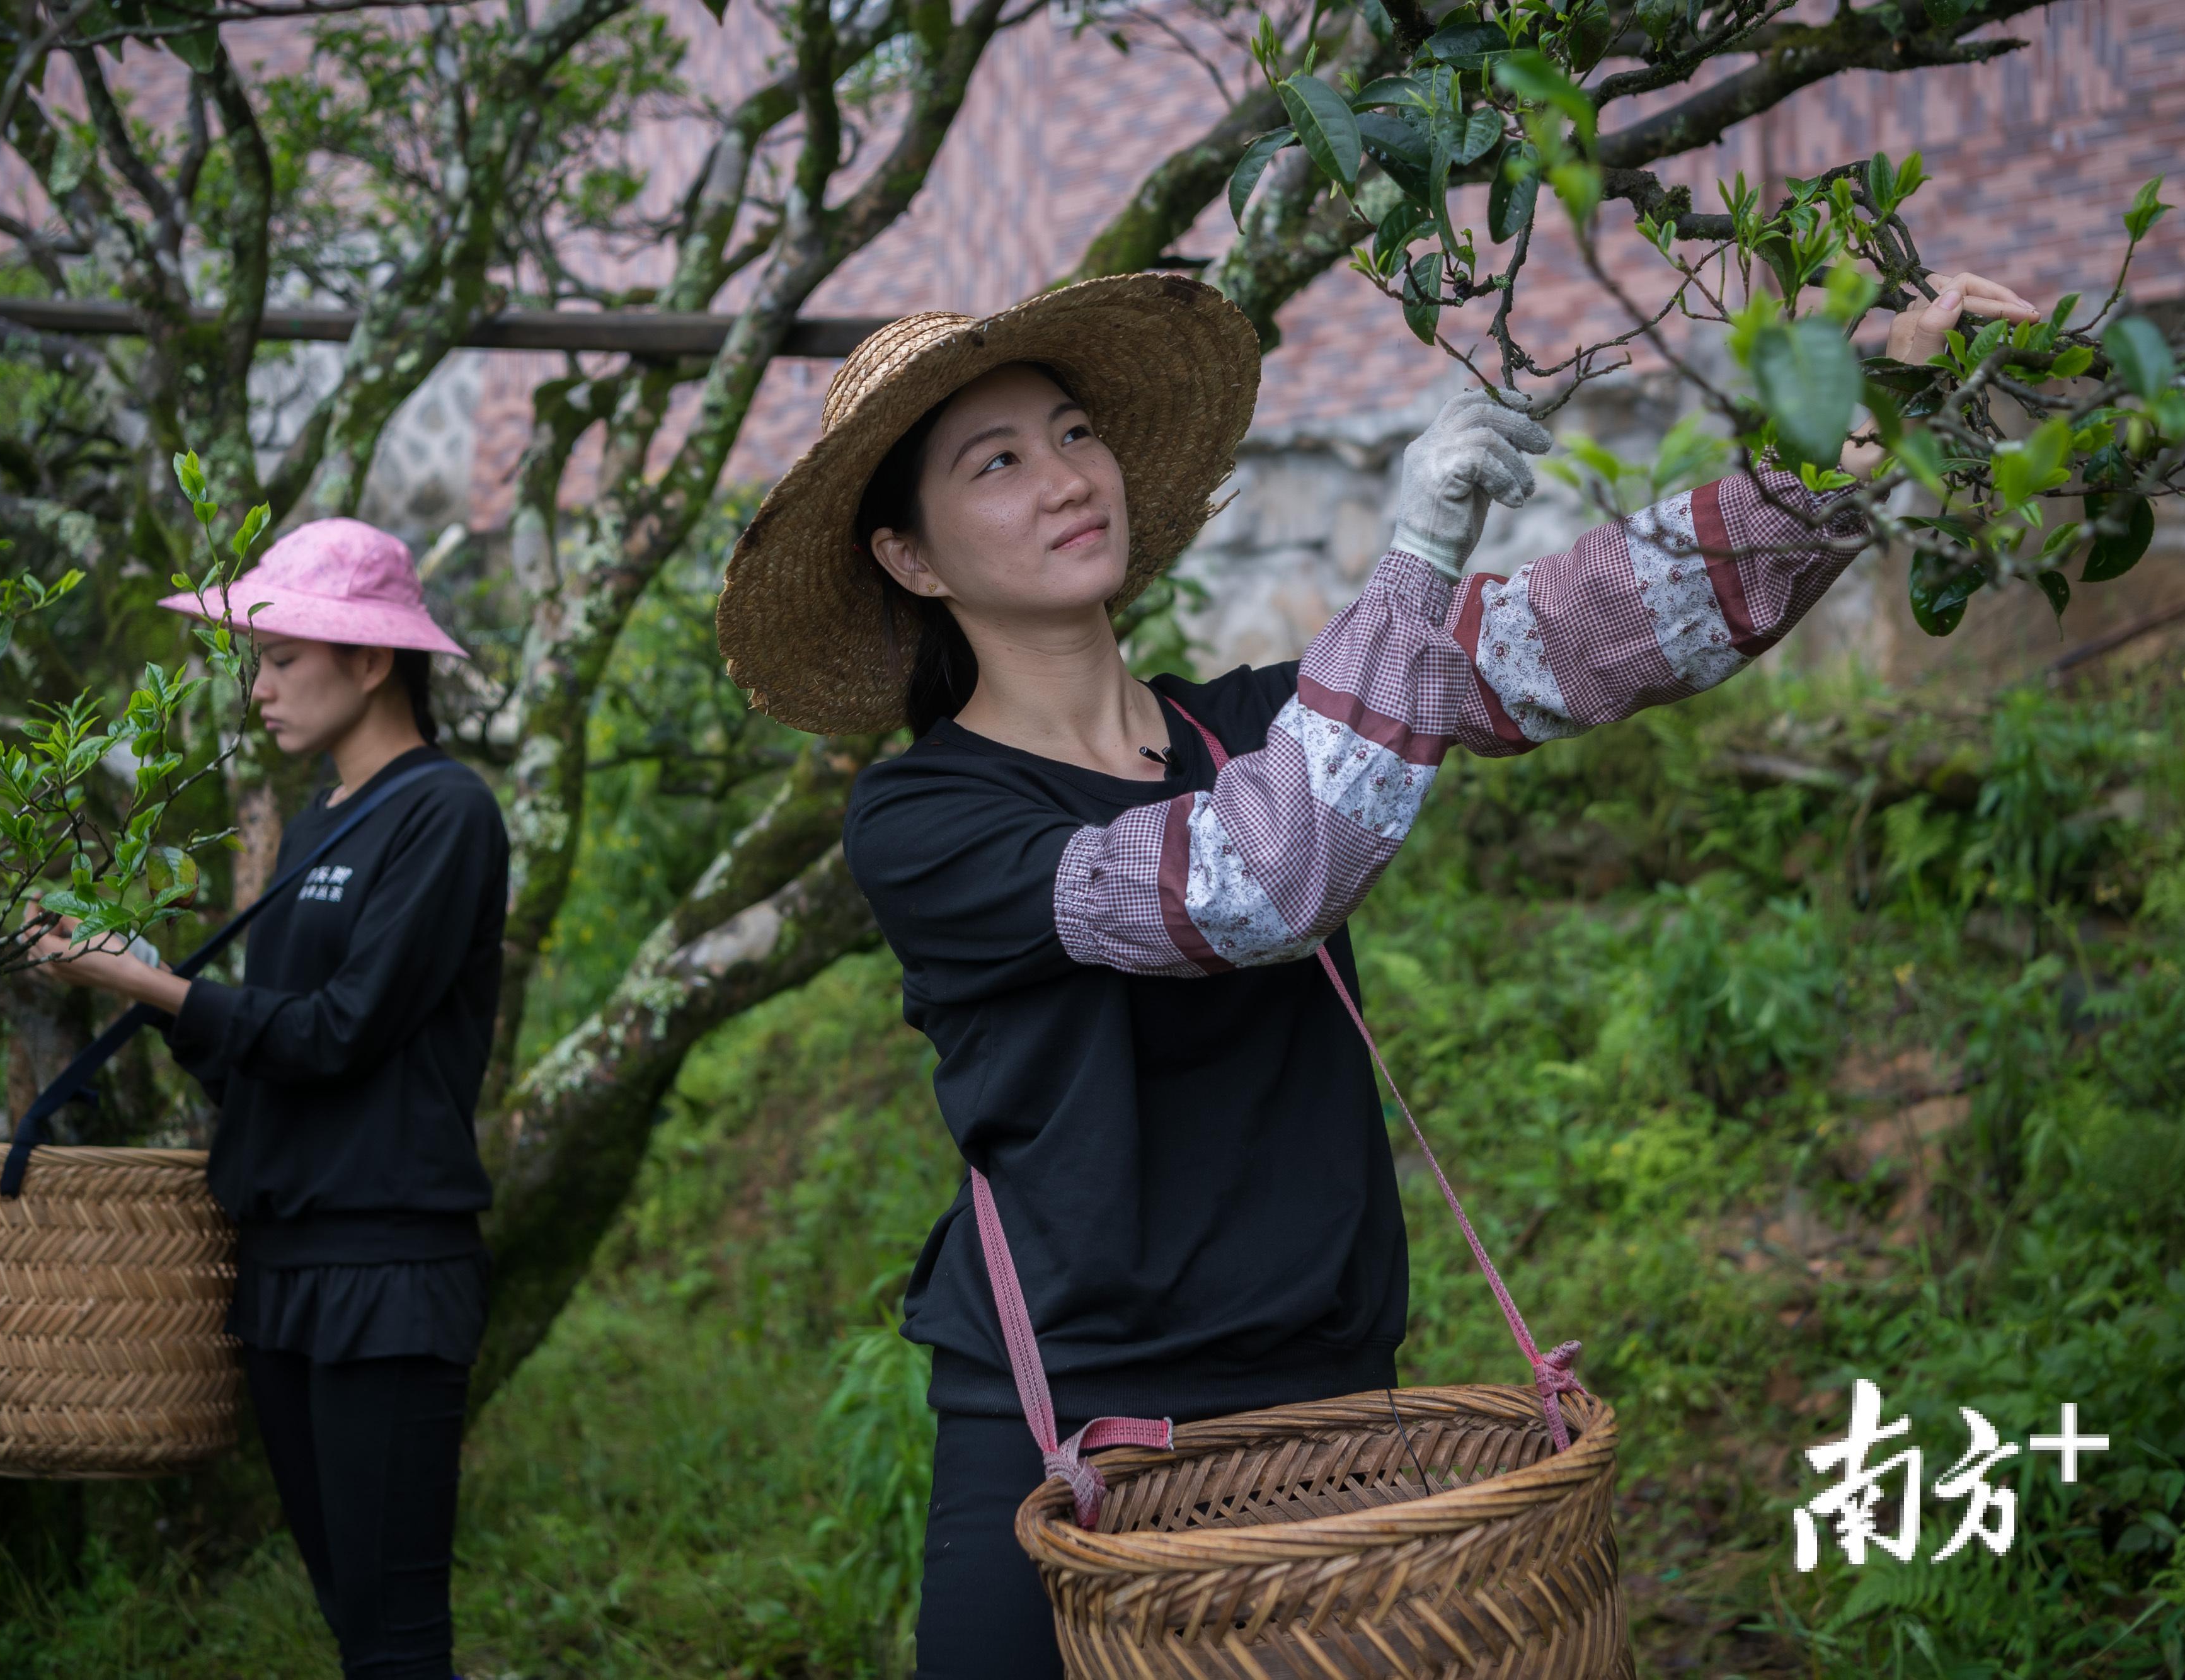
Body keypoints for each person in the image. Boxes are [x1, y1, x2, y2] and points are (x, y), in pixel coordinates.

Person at [714, 268, 2036, 1677]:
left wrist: (1850, 425)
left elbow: (1567, 639)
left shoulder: (1257, 722)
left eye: (1071, 432)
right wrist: (1409, 554)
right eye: (995, 461)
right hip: (1068, 1432)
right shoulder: (926, 818)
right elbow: (1247, 882)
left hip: (1323, 1404)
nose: (1061, 476)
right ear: (911, 558)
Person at [27, 517, 508, 1680]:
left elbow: (341, 1034)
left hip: (388, 1270)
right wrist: (142, 983)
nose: (261, 690)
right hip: (284, 1262)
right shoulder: (315, 826)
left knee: (395, 1642)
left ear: (373, 659)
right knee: (350, 1618)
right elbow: (264, 1052)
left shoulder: (445, 813)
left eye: (283, 657)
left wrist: (149, 981)